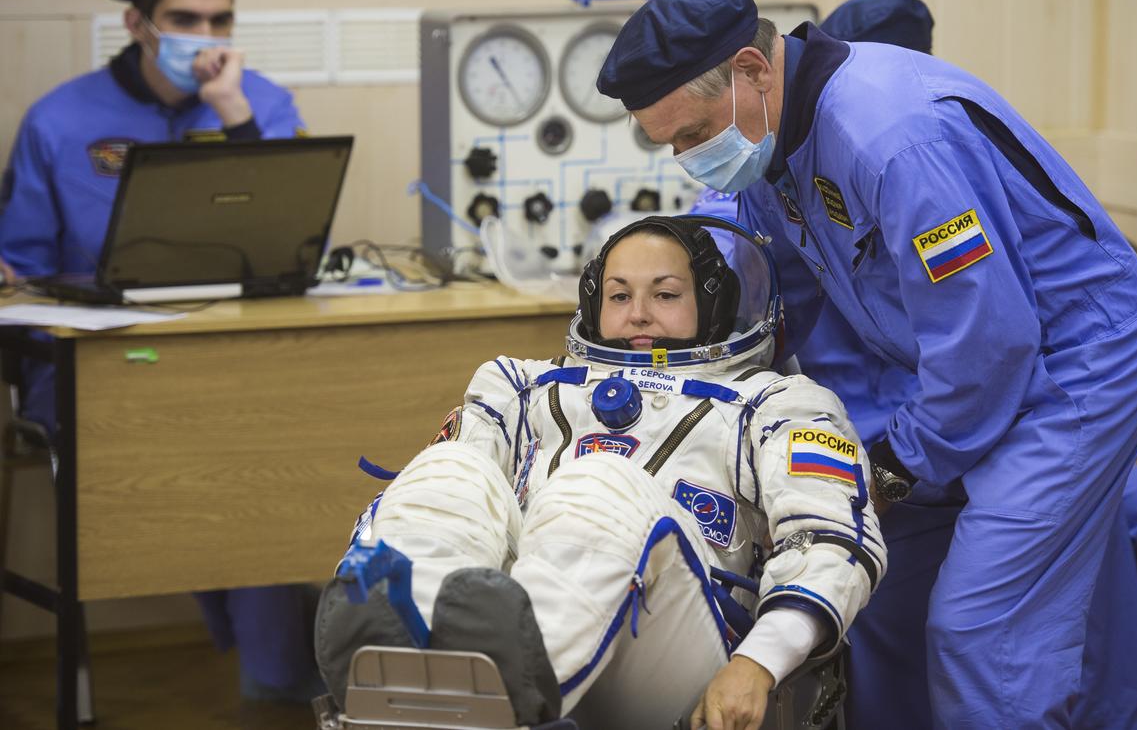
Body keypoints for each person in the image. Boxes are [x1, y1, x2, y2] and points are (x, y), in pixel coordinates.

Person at [598, 0, 1137, 727]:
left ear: (751, 68)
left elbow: (988, 340)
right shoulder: (775, 141)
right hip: (969, 369)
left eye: (693, 133)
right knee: (878, 575)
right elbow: (781, 299)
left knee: (981, 628)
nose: (687, 157)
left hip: (1078, 369)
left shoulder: (892, 139)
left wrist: (896, 466)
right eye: (671, 144)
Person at [316, 215, 885, 730]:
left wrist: (758, 662)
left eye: (665, 294)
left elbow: (833, 541)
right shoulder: (520, 387)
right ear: (593, 305)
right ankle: (399, 669)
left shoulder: (773, 403)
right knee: (448, 469)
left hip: (685, 645)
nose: (638, 313)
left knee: (596, 485)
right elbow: (425, 502)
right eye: (619, 295)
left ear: (713, 305)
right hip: (517, 616)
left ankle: (506, 691)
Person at [0, 0, 317, 701]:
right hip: (94, 364)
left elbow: (295, 243)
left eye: (220, 20)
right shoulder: (59, 119)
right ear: (137, 23)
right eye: (184, 20)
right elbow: (19, 267)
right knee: (196, 444)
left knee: (282, 440)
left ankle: (277, 674)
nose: (205, 39)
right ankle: (277, 664)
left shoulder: (262, 102)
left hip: (234, 358)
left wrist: (234, 116)